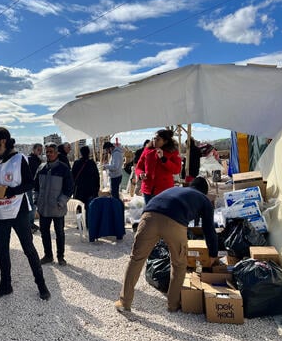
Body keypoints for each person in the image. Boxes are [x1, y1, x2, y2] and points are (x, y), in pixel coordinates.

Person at [114, 177, 218, 313]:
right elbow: (209, 229)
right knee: (179, 264)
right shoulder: (204, 200)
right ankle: (173, 304)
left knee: (136, 259)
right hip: (175, 222)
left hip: (148, 217)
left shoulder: (176, 189)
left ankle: (124, 302)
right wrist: (213, 254)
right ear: (204, 192)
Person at [0, 127, 50, 301]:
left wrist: (9, 192)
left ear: (2, 140)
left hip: (18, 210)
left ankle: (41, 284)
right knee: (2, 251)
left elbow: (29, 184)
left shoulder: (18, 159)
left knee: (29, 249)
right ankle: (5, 285)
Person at [34, 142, 74, 266]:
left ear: (56, 153)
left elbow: (69, 188)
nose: (49, 154)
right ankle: (48, 255)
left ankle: (60, 256)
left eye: (51, 151)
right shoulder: (41, 168)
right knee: (44, 232)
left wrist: (61, 202)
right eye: (47, 152)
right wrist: (37, 200)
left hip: (57, 208)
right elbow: (36, 187)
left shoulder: (63, 168)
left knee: (59, 233)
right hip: (44, 208)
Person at [135, 130, 181, 204]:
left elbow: (177, 170)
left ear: (165, 141)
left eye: (158, 139)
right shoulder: (147, 150)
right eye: (154, 138)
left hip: (164, 190)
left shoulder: (173, 152)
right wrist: (140, 174)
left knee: (162, 213)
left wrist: (164, 159)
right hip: (148, 189)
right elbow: (138, 167)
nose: (154, 141)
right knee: (149, 212)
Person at [71, 145, 100, 228]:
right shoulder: (92, 163)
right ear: (89, 153)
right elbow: (96, 176)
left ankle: (80, 223)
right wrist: (97, 188)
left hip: (79, 189)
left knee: (79, 207)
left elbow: (72, 176)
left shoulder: (76, 163)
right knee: (89, 206)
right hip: (90, 189)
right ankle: (88, 222)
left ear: (81, 153)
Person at [27, 143, 43, 233]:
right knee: (32, 206)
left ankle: (31, 224)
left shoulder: (38, 160)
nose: (40, 151)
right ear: (34, 150)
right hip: (30, 186)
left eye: (41, 149)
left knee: (33, 206)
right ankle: (30, 225)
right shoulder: (29, 159)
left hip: (36, 186)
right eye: (38, 149)